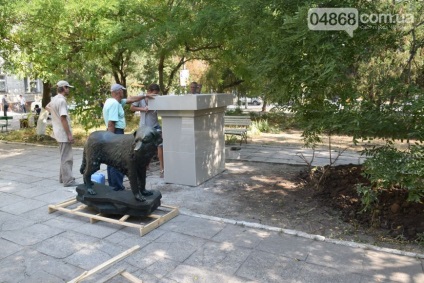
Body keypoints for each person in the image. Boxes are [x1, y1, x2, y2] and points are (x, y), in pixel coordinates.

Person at [103, 83, 156, 190]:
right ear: (118, 92)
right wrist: (112, 139)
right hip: (115, 133)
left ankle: (113, 186)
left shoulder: (113, 101)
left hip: (113, 133)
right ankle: (117, 187)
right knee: (117, 160)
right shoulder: (114, 104)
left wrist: (145, 96)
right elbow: (111, 123)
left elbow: (130, 100)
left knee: (111, 160)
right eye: (122, 91)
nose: (123, 92)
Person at [45, 80, 77, 187]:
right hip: (63, 133)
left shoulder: (54, 99)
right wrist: (69, 134)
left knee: (63, 155)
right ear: (63, 88)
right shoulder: (62, 101)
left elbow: (46, 107)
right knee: (67, 158)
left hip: (57, 131)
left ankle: (62, 178)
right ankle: (68, 181)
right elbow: (63, 119)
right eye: (68, 87)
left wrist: (54, 113)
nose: (69, 89)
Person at [130, 83, 164, 177]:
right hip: (144, 126)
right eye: (153, 94)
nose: (155, 96)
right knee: (144, 147)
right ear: (148, 92)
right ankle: (145, 167)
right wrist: (143, 109)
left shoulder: (157, 99)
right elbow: (132, 108)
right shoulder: (141, 97)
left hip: (155, 125)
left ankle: (162, 169)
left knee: (160, 145)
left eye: (156, 94)